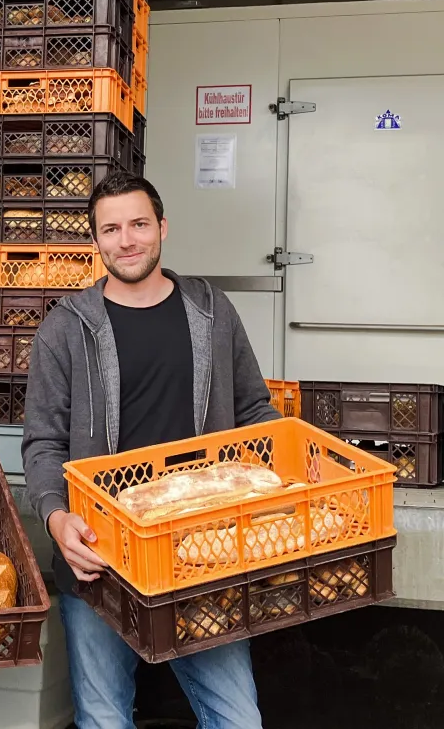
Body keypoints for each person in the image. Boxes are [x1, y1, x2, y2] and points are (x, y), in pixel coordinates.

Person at [22, 172, 282, 729]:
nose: (127, 240)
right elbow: (43, 441)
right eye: (111, 229)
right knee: (104, 721)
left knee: (238, 720)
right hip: (100, 559)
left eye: (139, 224)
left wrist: (290, 463)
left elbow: (254, 409)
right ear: (95, 239)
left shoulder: (212, 311)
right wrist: (56, 518)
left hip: (201, 553)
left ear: (162, 227)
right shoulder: (65, 329)